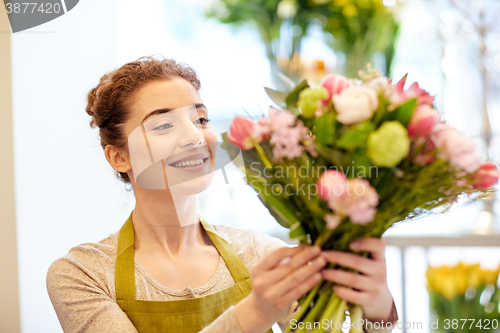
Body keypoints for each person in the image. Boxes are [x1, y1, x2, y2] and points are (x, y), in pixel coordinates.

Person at [46, 56, 398, 333]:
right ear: (119, 156)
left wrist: (378, 309)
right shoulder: (82, 274)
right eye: (164, 125)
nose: (196, 137)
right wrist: (255, 313)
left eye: (200, 119)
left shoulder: (260, 255)